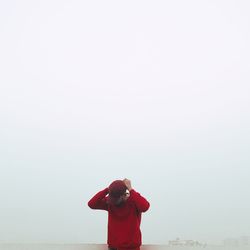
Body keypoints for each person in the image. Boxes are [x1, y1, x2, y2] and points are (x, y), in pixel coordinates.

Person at [88, 178, 150, 250]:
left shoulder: (134, 201)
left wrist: (131, 189)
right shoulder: (110, 202)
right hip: (113, 247)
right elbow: (91, 204)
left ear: (123, 195)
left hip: (131, 248)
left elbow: (145, 207)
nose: (113, 202)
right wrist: (109, 189)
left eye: (115, 199)